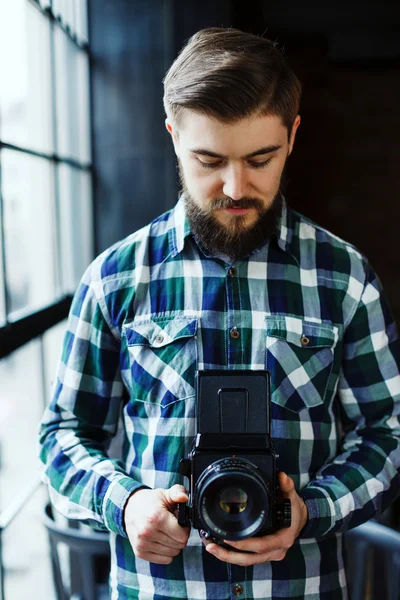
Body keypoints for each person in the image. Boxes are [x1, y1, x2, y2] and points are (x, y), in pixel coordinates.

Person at [39, 27, 400, 600]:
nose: (236, 187)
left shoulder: (346, 279)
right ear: (173, 135)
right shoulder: (114, 279)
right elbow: (62, 435)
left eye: (261, 159)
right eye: (208, 160)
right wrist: (125, 504)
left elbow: (388, 433)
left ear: (293, 136)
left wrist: (313, 510)